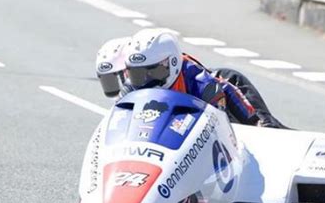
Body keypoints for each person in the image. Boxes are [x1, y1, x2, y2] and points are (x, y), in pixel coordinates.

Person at [96, 29, 286, 128]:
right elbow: (119, 121)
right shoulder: (130, 89)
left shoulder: (199, 80)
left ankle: (273, 130)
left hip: (198, 128)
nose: (146, 81)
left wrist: (256, 124)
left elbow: (223, 118)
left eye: (152, 72)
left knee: (258, 123)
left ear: (171, 63)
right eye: (138, 74)